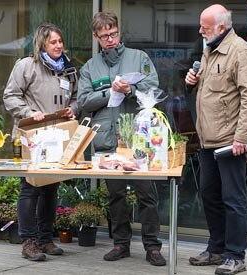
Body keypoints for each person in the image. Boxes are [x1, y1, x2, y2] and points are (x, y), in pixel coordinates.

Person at [77, 11, 166, 266]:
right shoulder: (90, 67)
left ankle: (152, 247)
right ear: (96, 37)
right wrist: (108, 92)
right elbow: (83, 101)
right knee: (115, 196)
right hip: (106, 140)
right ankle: (121, 244)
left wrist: (131, 90)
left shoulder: (139, 58)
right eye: (104, 36)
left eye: (113, 34)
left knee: (146, 195)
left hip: (137, 141)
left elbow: (154, 87)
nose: (110, 39)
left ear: (119, 31)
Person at [185, 4, 247, 275]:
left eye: (204, 27)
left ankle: (235, 255)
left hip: (230, 141)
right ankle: (216, 248)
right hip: (208, 139)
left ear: (221, 27)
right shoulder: (208, 49)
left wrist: (242, 137)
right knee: (209, 194)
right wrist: (191, 81)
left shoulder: (239, 51)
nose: (200, 31)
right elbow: (210, 91)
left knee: (234, 199)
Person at [3, 23, 79, 261]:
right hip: (33, 135)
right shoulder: (27, 65)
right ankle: (28, 241)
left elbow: (77, 96)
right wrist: (27, 112)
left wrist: (72, 109)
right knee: (30, 188)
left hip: (57, 135)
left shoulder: (68, 68)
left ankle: (45, 239)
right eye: (53, 42)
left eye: (60, 41)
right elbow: (10, 95)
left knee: (51, 187)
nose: (58, 46)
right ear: (42, 44)